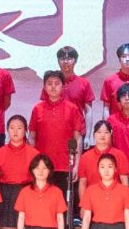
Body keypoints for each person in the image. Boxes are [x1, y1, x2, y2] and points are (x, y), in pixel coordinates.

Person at [29, 70, 86, 201]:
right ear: (44, 87)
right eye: (49, 83)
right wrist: (34, 165)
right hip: (42, 167)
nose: (53, 87)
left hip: (65, 165)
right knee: (43, 204)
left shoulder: (72, 109)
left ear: (63, 86)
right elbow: (31, 138)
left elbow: (77, 138)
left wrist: (76, 165)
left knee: (64, 205)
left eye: (57, 83)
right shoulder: (37, 109)